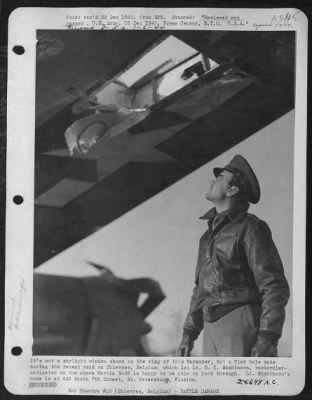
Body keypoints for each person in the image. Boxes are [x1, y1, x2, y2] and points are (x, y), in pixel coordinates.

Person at [178, 155, 290, 357]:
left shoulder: (250, 227)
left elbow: (274, 284)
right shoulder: (207, 236)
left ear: (233, 189)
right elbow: (200, 289)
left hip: (239, 322)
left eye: (220, 178)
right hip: (210, 327)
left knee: (239, 388)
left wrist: (268, 336)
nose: (213, 181)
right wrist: (189, 333)